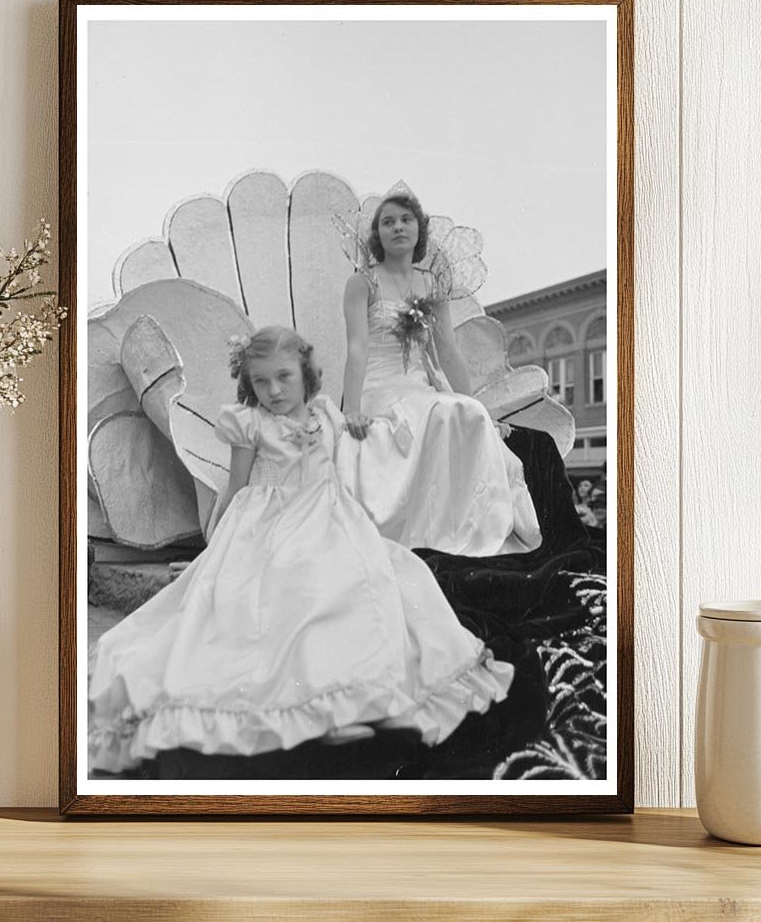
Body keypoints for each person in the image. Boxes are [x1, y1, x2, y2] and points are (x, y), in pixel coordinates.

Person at [88, 326, 514, 774]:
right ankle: (315, 706)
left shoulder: (327, 413)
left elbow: (348, 464)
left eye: (284, 377)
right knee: (288, 594)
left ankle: (352, 698)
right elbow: (236, 486)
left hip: (328, 513)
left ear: (306, 373)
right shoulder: (248, 423)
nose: (273, 390)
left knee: (379, 583)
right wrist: (213, 549)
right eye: (261, 382)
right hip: (266, 524)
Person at [337, 185, 542, 558]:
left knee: (462, 411)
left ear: (419, 229)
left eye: (405, 219)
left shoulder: (431, 283)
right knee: (438, 412)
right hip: (379, 386)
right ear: (377, 234)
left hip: (419, 385)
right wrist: (351, 408)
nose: (397, 227)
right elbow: (357, 347)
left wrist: (481, 408)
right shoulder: (361, 282)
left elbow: (447, 351)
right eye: (388, 222)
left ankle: (471, 529)